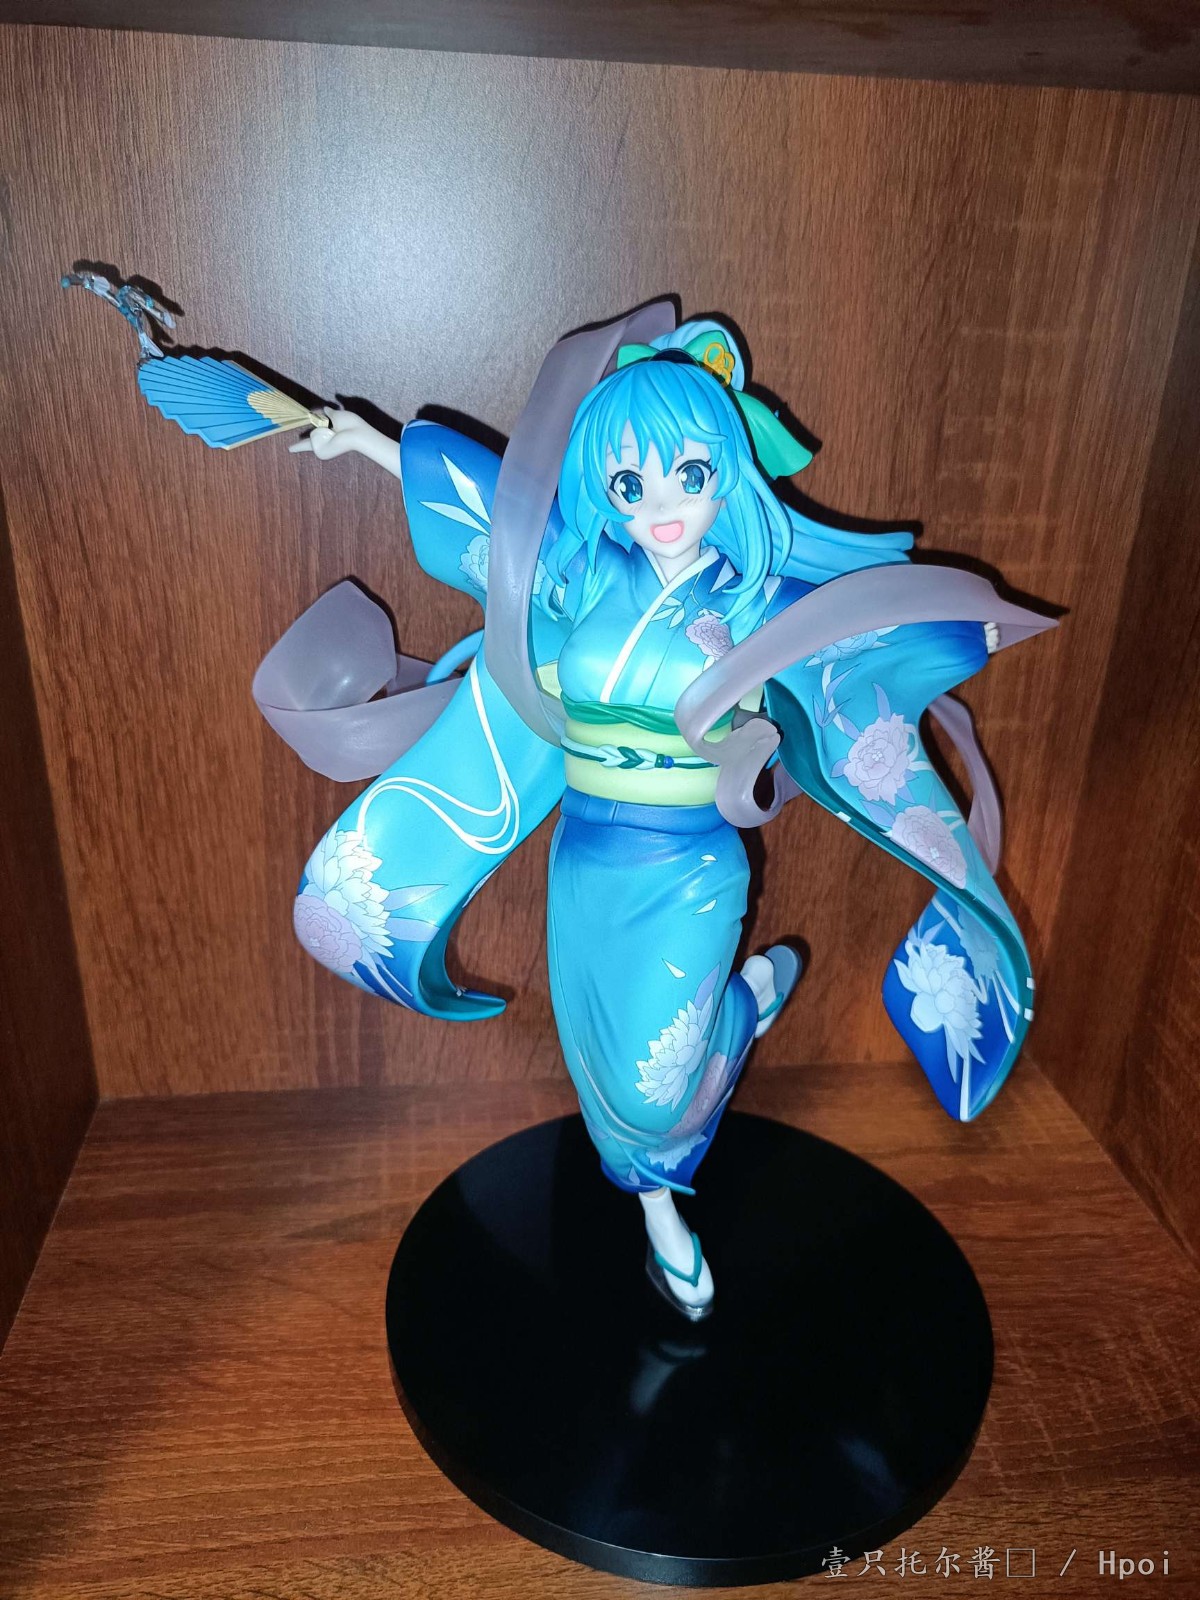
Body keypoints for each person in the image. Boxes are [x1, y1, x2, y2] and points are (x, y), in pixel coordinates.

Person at [270, 306, 1053, 1320]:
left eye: (688, 474)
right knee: (597, 1053)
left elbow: (852, 659)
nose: (663, 507)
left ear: (728, 470)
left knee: (652, 1077)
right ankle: (664, 1189)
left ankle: (730, 1039)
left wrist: (934, 637)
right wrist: (368, 441)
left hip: (689, 865)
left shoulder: (763, 597)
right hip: (586, 856)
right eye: (631, 486)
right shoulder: (581, 572)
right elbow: (493, 523)